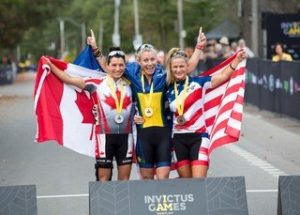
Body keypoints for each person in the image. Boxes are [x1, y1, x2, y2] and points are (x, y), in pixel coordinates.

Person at [87, 28, 206, 180]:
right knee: (147, 180)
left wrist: (199, 47)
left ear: (157, 60)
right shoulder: (132, 75)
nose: (150, 63)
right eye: (145, 60)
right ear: (138, 61)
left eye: (152, 60)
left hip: (163, 134)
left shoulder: (164, 75)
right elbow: (108, 67)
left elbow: (187, 68)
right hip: (143, 136)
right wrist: (96, 50)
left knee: (163, 179)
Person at [45, 47, 134, 182]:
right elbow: (69, 79)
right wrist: (51, 65)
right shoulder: (96, 83)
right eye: (114, 65)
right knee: (103, 178)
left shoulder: (131, 84)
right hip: (104, 138)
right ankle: (104, 203)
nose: (117, 68)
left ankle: (123, 204)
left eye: (121, 65)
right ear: (107, 66)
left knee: (125, 179)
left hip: (126, 138)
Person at [165, 48, 246, 178]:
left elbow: (223, 76)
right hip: (178, 139)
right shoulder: (167, 88)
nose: (178, 70)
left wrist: (237, 60)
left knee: (199, 181)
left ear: (188, 66)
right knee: (186, 181)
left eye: (181, 66)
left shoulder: (199, 82)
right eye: (175, 67)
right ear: (171, 68)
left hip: (199, 137)